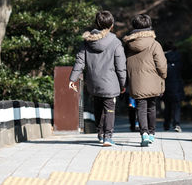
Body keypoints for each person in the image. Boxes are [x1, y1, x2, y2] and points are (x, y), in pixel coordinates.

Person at [69, 11, 126, 147]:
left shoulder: (87, 41)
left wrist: (73, 78)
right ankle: (108, 136)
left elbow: (80, 61)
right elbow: (120, 66)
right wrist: (123, 83)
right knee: (109, 108)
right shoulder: (116, 43)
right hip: (110, 83)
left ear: (96, 24)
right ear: (111, 25)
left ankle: (100, 133)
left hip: (93, 82)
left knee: (98, 106)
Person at [123, 14, 167, 147]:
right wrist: (163, 76)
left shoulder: (128, 45)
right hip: (153, 80)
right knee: (152, 107)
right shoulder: (154, 44)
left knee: (140, 107)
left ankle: (144, 133)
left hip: (136, 81)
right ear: (149, 26)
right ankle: (152, 133)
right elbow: (162, 64)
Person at [162, 41, 185, 132]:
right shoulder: (179, 57)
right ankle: (176, 124)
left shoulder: (162, 58)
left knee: (167, 106)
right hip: (177, 84)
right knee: (176, 106)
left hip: (166, 85)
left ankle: (166, 124)